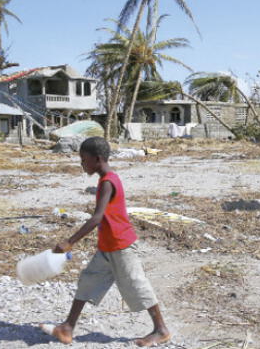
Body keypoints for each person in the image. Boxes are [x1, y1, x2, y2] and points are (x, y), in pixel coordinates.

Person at [40, 136, 170, 346]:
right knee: (88, 280)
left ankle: (161, 329)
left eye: (84, 159)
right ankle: (67, 328)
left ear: (98, 158)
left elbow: (97, 217)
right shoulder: (105, 180)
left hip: (121, 245)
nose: (82, 164)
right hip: (108, 246)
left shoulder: (108, 182)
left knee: (136, 284)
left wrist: (70, 241)